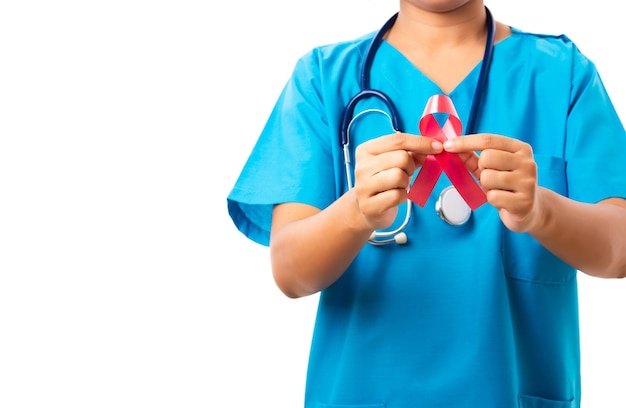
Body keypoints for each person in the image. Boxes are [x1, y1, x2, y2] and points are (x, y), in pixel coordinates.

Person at [226, 0, 626, 406]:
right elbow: (292, 272)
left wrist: (541, 210)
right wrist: (356, 212)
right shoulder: (323, 78)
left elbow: (619, 250)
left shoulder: (563, 75)